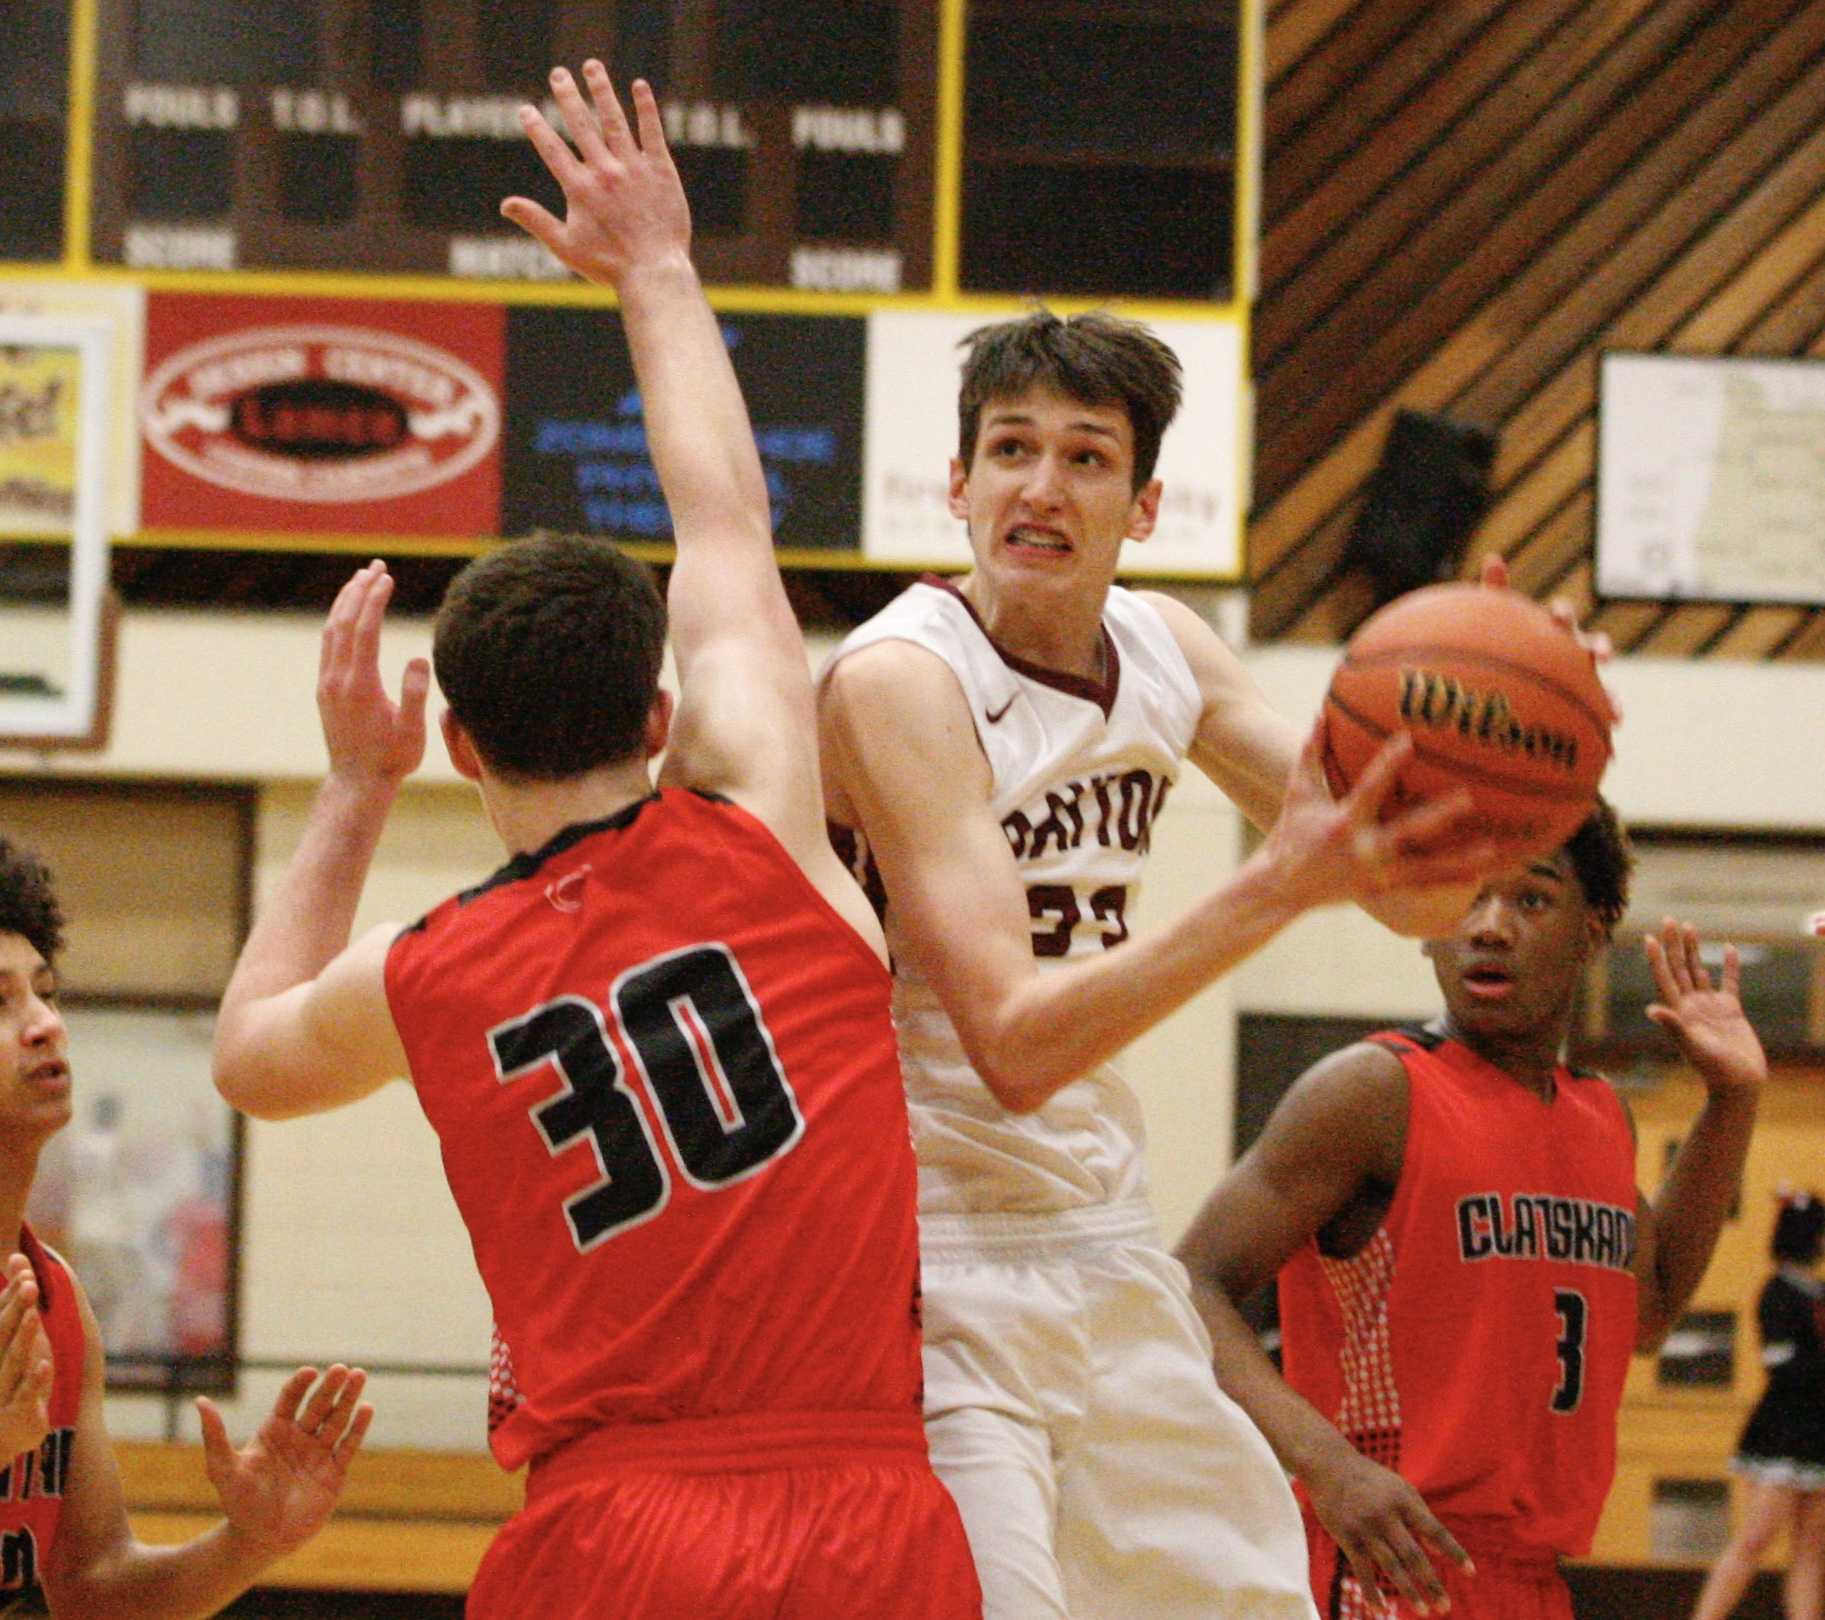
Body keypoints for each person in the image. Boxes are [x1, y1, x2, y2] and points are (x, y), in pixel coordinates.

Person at [210, 62, 980, 1620]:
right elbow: (723, 524)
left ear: (460, 745)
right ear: (654, 716)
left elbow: (244, 1058)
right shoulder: (765, 815)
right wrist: (656, 270)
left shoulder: (422, 972)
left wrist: (354, 791)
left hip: (612, 1532)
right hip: (864, 1512)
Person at [815, 305, 1550, 1617]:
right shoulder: (902, 683)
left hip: (1102, 1239)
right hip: (927, 1248)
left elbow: (1410, 900)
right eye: (1010, 449)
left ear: (1144, 504)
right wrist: (1271, 890)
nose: (1041, 487)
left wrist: (1502, 760)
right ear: (957, 484)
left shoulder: (1165, 648)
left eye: (1086, 457)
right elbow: (1016, 1045)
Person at [1174, 803, 1766, 1619]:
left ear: (1593, 933)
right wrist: (1326, 1464)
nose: (1488, 927)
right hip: (1391, 1562)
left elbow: (1648, 1312)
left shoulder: (1596, 1117)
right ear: (1425, 928)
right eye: (1466, 898)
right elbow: (1187, 1287)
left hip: (1532, 1580)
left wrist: (1730, 1100)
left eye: (1529, 899)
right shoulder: (1374, 1091)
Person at [0, 834, 372, 1614]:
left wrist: (250, 1542)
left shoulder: (58, 1302)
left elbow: (96, 1587)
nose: (45, 1025)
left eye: (45, 990)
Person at [1689, 1192, 1825, 1620]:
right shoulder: (1777, 1292)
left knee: (1811, 1551)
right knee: (1755, 1539)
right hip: (1783, 1431)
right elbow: (1784, 1367)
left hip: (1819, 1430)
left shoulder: (1820, 1292)